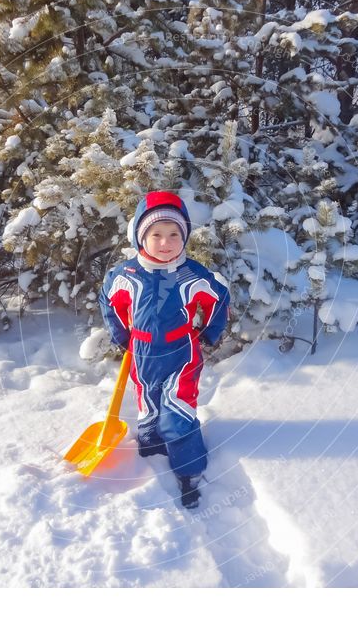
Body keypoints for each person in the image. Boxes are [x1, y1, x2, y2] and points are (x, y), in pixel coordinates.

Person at [99, 191, 230, 508]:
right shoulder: (125, 274)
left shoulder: (192, 274)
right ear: (140, 237)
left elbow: (219, 297)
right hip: (142, 351)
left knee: (177, 410)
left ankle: (189, 472)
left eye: (174, 234)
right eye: (156, 234)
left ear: (184, 235)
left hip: (181, 352)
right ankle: (153, 453)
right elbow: (110, 302)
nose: (165, 242)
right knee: (149, 405)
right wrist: (121, 335)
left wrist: (209, 332)